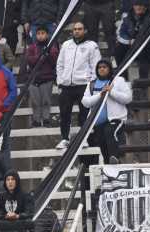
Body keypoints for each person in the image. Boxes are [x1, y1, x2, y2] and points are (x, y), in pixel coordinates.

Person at [56, 19, 100, 149]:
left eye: (79, 29)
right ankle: (64, 138)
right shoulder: (66, 45)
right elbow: (60, 64)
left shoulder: (92, 45)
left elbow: (96, 65)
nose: (77, 31)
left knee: (84, 114)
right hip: (66, 85)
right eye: (75, 29)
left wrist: (90, 83)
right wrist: (60, 81)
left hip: (83, 85)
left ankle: (83, 139)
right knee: (64, 114)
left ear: (85, 30)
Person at [82, 58, 132, 164]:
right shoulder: (91, 84)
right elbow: (85, 102)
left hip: (116, 119)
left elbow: (128, 98)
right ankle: (109, 164)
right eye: (99, 67)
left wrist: (111, 92)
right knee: (103, 145)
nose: (102, 69)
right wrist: (100, 95)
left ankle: (115, 158)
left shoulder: (118, 81)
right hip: (97, 123)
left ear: (109, 68)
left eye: (104, 67)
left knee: (110, 132)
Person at [19, 23, 59, 128]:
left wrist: (48, 53)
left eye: (43, 33)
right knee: (35, 102)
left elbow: (54, 61)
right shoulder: (32, 48)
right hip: (34, 79)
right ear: (35, 35)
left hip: (47, 78)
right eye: (39, 34)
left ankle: (46, 119)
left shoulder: (52, 47)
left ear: (47, 34)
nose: (41, 35)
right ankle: (36, 120)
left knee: (46, 101)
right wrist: (41, 55)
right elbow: (30, 61)